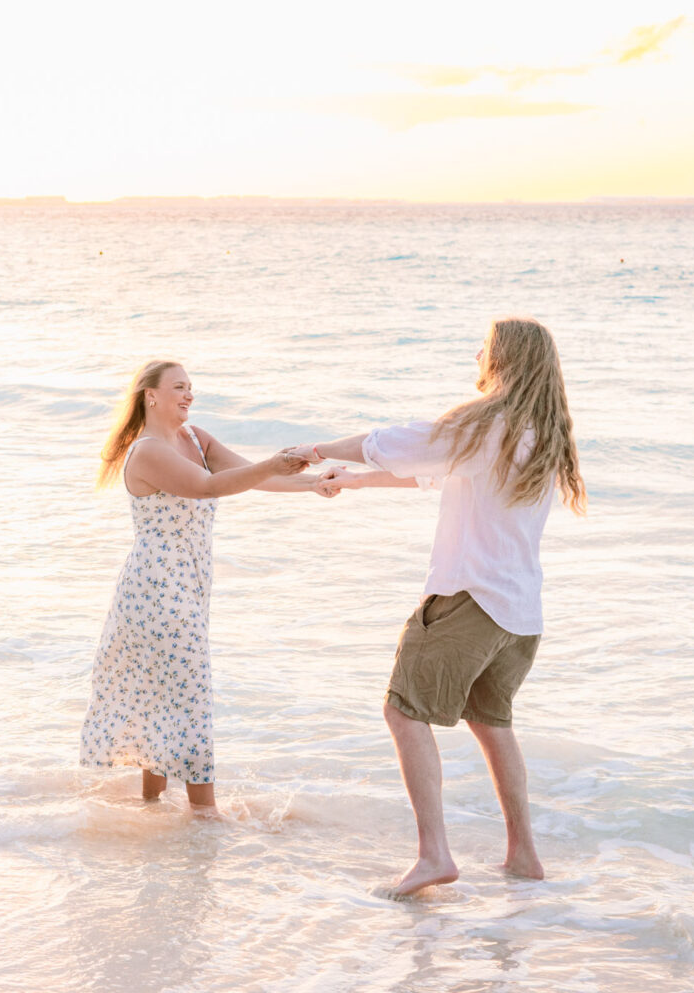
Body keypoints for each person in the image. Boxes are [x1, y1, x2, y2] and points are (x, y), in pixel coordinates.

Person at [298, 317, 586, 896]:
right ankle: (524, 857)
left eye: (485, 346)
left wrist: (314, 450)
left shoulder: (489, 421)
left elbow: (406, 443)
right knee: (491, 722)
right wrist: (353, 481)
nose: (476, 353)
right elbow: (440, 474)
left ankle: (434, 856)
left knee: (403, 711)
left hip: (469, 600)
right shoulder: (543, 432)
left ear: (502, 359)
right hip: (521, 616)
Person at [80, 360, 320, 816]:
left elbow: (256, 477)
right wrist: (276, 461)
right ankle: (205, 819)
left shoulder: (195, 438)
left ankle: (152, 806)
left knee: (164, 694)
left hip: (187, 586)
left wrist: (312, 485)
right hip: (155, 590)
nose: (189, 395)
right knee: (189, 699)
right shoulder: (147, 450)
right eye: (178, 388)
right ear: (151, 396)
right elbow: (208, 487)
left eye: (191, 388)